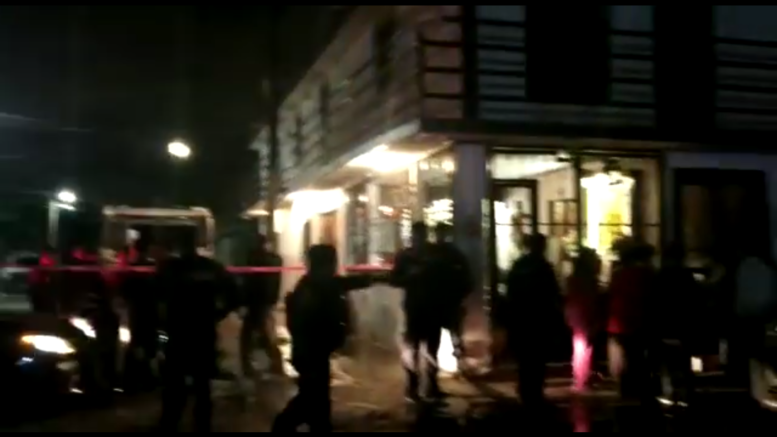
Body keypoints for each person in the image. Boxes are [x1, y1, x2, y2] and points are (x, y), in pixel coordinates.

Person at [272, 244, 370, 433]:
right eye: (332, 263)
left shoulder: (320, 284)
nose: (334, 267)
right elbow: (304, 325)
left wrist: (377, 279)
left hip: (316, 354)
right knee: (310, 400)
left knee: (317, 401)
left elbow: (348, 283)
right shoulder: (311, 290)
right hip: (310, 354)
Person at [156, 234, 239, 432]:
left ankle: (170, 423)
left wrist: (161, 324)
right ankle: (201, 424)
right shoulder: (211, 267)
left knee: (175, 384)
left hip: (179, 332)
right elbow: (234, 293)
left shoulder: (170, 268)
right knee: (202, 385)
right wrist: (219, 313)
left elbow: (155, 296)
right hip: (203, 331)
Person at [505, 233, 562, 406]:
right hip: (539, 319)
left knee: (525, 358)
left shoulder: (519, 265)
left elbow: (510, 291)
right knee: (537, 359)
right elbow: (553, 294)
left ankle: (525, 390)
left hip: (522, 318)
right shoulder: (544, 267)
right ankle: (535, 392)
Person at [390, 222, 444, 402]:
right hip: (416, 308)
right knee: (414, 348)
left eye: (421, 235)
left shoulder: (433, 256)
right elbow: (394, 279)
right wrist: (410, 276)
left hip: (430, 307)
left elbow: (443, 278)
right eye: (417, 235)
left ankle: (430, 386)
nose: (419, 239)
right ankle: (414, 386)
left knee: (430, 348)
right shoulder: (407, 256)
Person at [607, 240, 656, 401]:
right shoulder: (646, 273)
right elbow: (650, 297)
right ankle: (639, 389)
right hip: (638, 321)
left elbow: (611, 294)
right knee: (638, 356)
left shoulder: (618, 273)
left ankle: (626, 389)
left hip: (619, 322)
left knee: (626, 357)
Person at [651, 242, 698, 403]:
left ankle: (669, 392)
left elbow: (654, 302)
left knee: (665, 362)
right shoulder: (687, 276)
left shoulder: (660, 276)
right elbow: (693, 302)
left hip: (664, 325)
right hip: (683, 325)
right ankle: (687, 391)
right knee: (684, 362)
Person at [240, 234, 284, 380]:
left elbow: (248, 281)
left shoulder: (254, 258)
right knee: (262, 331)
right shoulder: (274, 259)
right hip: (264, 300)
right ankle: (275, 362)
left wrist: (244, 300)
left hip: (256, 301)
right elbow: (275, 281)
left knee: (251, 333)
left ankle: (250, 364)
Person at [120, 239, 160, 392]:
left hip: (138, 311)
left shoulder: (134, 268)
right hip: (147, 310)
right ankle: (142, 379)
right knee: (146, 345)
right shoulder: (152, 268)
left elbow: (125, 291)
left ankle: (132, 380)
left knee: (137, 345)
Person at [431, 223, 473, 368]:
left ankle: (456, 360)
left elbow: (466, 277)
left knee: (451, 333)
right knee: (453, 333)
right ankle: (458, 360)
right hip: (445, 300)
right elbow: (466, 276)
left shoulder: (436, 253)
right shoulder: (452, 253)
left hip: (444, 300)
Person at [565, 247, 601, 393]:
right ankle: (582, 379)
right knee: (584, 346)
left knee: (580, 345)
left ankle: (580, 377)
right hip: (585, 313)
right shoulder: (590, 279)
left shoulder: (573, 278)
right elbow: (592, 298)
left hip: (576, 313)